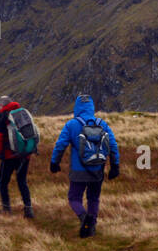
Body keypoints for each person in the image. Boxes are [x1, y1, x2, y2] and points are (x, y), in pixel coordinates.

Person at [49, 93, 120, 238]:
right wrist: (115, 165)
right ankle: (91, 227)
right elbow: (113, 145)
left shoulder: (71, 125)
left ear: (76, 107)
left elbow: (60, 145)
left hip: (78, 170)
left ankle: (83, 217)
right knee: (93, 198)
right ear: (92, 107)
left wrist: (54, 162)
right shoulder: (102, 124)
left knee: (74, 198)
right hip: (98, 169)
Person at [0, 95, 33, 218]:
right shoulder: (22, 113)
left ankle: (6, 209)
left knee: (3, 182)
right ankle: (28, 209)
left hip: (9, 156)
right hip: (25, 155)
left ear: (1, 105)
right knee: (22, 181)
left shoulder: (2, 117)